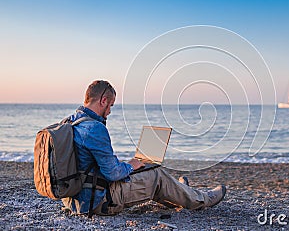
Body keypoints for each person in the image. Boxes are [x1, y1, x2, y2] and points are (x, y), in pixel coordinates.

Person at [62, 80, 226, 215]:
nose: (110, 111)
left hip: (75, 200)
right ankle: (202, 199)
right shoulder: (95, 128)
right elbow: (112, 174)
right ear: (103, 100)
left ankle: (180, 190)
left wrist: (129, 166)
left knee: (143, 169)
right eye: (111, 105)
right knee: (157, 174)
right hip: (99, 202)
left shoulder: (70, 122)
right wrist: (130, 166)